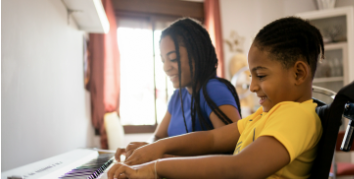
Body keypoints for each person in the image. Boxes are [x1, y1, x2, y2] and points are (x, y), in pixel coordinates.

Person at [108, 16, 324, 179]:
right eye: (252, 76)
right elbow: (211, 138)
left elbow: (240, 167)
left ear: (298, 73)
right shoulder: (263, 116)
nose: (252, 86)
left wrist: (156, 167)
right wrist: (157, 148)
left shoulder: (296, 115)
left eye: (261, 75)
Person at [115, 18, 242, 161]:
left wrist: (164, 155)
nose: (165, 67)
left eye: (173, 58)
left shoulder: (214, 89)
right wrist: (147, 148)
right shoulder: (178, 96)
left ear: (197, 54)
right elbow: (157, 137)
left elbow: (233, 147)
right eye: (163, 60)